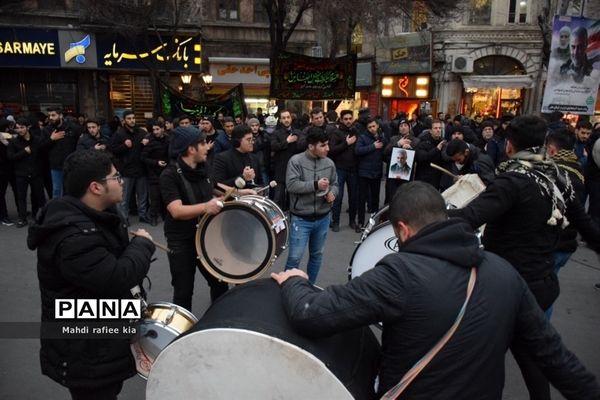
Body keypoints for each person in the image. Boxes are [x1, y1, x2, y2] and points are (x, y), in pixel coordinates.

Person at [272, 182, 600, 400]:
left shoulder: (399, 273)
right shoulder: (503, 271)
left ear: (402, 228)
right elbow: (555, 358)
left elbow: (312, 315)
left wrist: (295, 280)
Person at [448, 115, 600, 400]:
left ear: (509, 145)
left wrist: (428, 213)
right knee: (531, 355)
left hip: (508, 286)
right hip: (541, 284)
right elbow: (588, 227)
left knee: (481, 357)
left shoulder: (512, 181)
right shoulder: (556, 176)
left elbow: (469, 217)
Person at [27, 150, 156, 400]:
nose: (121, 181)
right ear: (96, 187)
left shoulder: (95, 217)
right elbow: (117, 277)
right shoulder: (74, 236)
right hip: (85, 348)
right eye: (116, 177)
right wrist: (142, 245)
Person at [159, 126, 253, 310]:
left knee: (219, 282)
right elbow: (176, 210)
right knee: (183, 291)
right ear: (190, 149)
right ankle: (182, 333)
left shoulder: (203, 167)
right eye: (202, 143)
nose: (207, 147)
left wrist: (240, 193)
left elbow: (214, 188)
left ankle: (216, 323)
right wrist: (206, 207)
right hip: (181, 240)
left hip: (206, 235)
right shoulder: (169, 175)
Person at [284, 127, 338, 284]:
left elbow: (335, 184)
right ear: (311, 146)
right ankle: (287, 289)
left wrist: (333, 193)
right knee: (294, 258)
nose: (327, 148)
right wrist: (315, 185)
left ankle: (310, 287)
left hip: (323, 218)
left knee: (316, 255)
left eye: (327, 144)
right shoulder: (296, 161)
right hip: (301, 219)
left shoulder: (329, 163)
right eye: (323, 145)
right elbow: (292, 185)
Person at [108, 110, 150, 225]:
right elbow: (113, 150)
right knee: (124, 197)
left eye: (133, 118)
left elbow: (147, 149)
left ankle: (143, 215)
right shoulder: (119, 134)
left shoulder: (141, 132)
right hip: (126, 170)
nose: (132, 120)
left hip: (141, 169)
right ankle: (124, 218)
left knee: (142, 195)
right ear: (124, 120)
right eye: (129, 118)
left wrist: (144, 144)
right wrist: (124, 146)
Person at [8, 118, 47, 227]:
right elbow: (10, 157)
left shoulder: (37, 140)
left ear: (28, 127)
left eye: (22, 127)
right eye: (17, 128)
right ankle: (22, 218)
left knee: (39, 196)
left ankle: (40, 216)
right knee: (21, 197)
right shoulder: (14, 142)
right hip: (21, 173)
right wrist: (24, 152)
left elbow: (44, 153)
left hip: (36, 172)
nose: (19, 130)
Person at [328, 109, 359, 232]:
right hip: (340, 169)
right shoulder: (336, 133)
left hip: (353, 169)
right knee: (338, 197)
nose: (348, 121)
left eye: (350, 118)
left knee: (353, 197)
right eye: (345, 119)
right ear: (341, 120)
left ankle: (352, 221)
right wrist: (346, 143)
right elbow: (331, 150)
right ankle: (336, 222)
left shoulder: (356, 132)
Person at [42, 107, 80, 198]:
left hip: (71, 164)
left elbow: (79, 144)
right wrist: (51, 139)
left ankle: (71, 210)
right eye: (49, 115)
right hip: (55, 165)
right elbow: (41, 147)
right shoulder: (46, 130)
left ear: (61, 115)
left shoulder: (72, 128)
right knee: (57, 190)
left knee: (71, 190)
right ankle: (57, 210)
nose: (51, 117)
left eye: (53, 115)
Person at [212, 124, 263, 188]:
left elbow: (260, 182)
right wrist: (243, 178)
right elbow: (218, 185)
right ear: (237, 141)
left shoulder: (254, 158)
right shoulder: (222, 159)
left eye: (252, 139)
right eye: (248, 139)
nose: (252, 142)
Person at [141, 120, 169, 226]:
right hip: (153, 173)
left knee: (165, 196)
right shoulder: (150, 141)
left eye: (157, 129)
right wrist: (156, 163)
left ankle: (165, 215)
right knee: (155, 197)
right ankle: (154, 217)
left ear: (163, 129)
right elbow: (143, 158)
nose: (155, 132)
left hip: (166, 172)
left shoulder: (168, 140)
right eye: (154, 130)